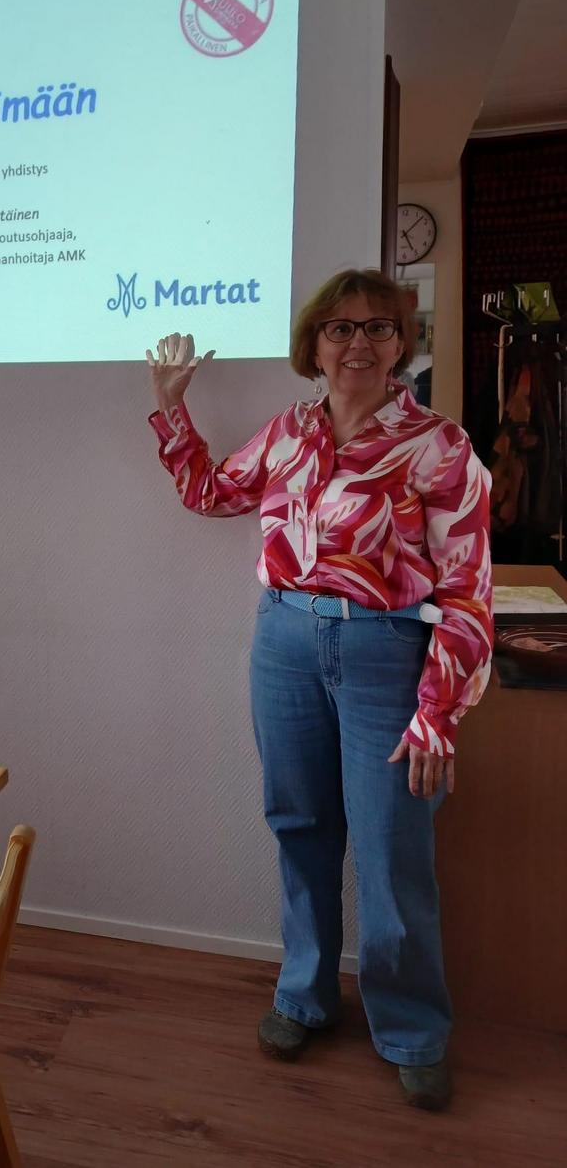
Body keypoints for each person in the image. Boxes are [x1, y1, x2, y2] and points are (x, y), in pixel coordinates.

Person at [146, 268, 492, 1113]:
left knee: (391, 844)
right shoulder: (288, 432)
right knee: (298, 825)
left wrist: (439, 711)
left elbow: (467, 589)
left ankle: (410, 1027)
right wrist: (171, 406)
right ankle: (304, 994)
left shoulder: (440, 446)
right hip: (285, 642)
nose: (358, 343)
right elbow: (210, 492)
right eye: (340, 328)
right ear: (315, 344)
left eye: (377, 327)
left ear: (400, 344)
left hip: (386, 652)